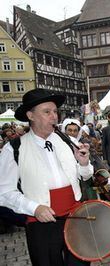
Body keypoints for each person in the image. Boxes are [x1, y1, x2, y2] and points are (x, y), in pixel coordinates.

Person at [0, 89, 93, 265]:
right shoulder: (13, 148)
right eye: (47, 112)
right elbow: (4, 192)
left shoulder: (65, 141)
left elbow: (85, 176)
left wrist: (83, 163)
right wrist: (34, 208)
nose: (54, 117)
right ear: (31, 115)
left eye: (55, 111)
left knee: (80, 262)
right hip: (41, 223)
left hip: (74, 218)